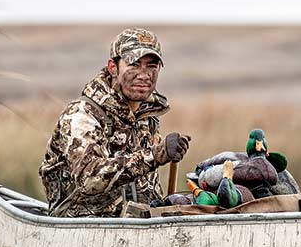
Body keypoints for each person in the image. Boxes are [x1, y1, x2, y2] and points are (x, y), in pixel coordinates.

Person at [40, 28, 191, 217]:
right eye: (134, 64)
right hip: (81, 227)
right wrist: (155, 155)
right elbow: (90, 179)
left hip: (135, 226)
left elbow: (145, 185)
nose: (144, 75)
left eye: (151, 66)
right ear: (113, 67)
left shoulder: (148, 115)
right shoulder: (83, 115)